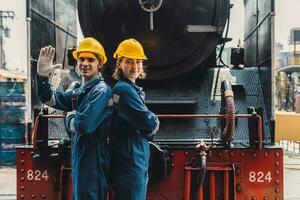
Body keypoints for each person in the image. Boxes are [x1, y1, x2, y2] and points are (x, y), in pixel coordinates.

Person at [36, 37, 113, 200]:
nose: (85, 63)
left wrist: (70, 117)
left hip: (93, 159)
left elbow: (84, 125)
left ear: (100, 64)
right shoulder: (81, 91)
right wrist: (42, 76)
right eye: (81, 59)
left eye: (91, 60)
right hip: (82, 155)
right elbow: (49, 98)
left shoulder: (100, 91)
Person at [110, 38, 160, 200]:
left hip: (131, 158)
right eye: (129, 61)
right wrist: (154, 121)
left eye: (138, 62)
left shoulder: (126, 89)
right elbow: (149, 124)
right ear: (119, 64)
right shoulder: (124, 90)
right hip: (130, 161)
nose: (134, 66)